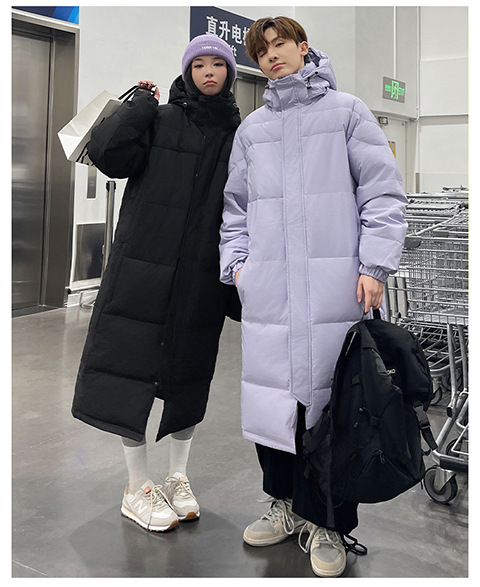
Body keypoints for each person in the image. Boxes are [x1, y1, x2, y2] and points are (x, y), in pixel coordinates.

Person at [219, 17, 408, 577]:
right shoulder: (252, 130)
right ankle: (283, 504)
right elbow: (235, 207)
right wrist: (239, 268)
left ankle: (330, 523)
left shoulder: (347, 112)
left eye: (280, 45)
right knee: (274, 405)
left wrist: (375, 265)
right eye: (262, 51)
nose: (272, 56)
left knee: (335, 407)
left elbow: (381, 192)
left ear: (303, 48)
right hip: (270, 293)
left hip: (335, 288)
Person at [72, 34, 241, 533]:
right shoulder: (160, 117)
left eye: (218, 65)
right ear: (187, 72)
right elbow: (109, 156)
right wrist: (137, 108)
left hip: (200, 276)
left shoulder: (238, 133)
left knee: (190, 374)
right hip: (141, 269)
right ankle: (136, 486)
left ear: (230, 74)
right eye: (199, 65)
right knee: (130, 370)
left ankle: (177, 477)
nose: (208, 72)